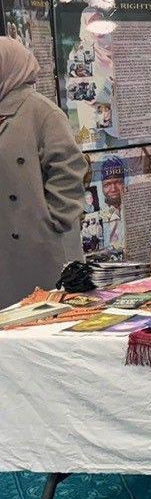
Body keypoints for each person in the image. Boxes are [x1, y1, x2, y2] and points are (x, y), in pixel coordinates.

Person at [0, 38, 89, 307]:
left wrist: (54, 220)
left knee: (46, 324)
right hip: (6, 247)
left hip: (42, 249)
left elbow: (70, 167)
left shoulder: (41, 112)